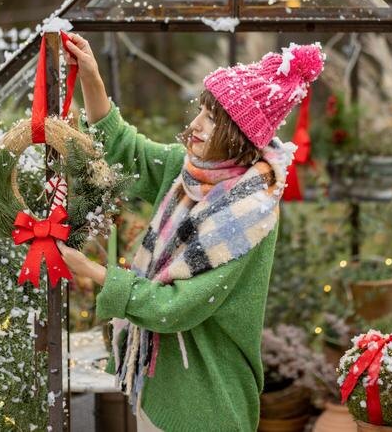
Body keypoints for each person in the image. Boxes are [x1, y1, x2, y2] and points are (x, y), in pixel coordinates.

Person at [56, 32, 324, 432]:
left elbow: (175, 307)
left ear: (239, 135)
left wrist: (93, 271)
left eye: (212, 118)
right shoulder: (191, 173)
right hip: (163, 385)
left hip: (209, 402)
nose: (196, 124)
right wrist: (92, 79)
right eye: (201, 110)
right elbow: (127, 148)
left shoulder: (247, 213)